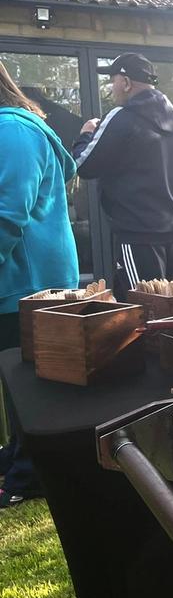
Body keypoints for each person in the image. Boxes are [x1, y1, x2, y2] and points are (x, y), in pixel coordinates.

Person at [0, 59, 78, 507]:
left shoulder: (13, 131)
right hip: (17, 282)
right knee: (17, 384)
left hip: (28, 285)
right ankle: (18, 459)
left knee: (28, 387)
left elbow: (8, 214)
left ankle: (29, 477)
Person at [72, 53, 173, 300]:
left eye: (113, 81)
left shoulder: (121, 117)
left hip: (137, 235)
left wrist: (86, 134)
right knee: (170, 310)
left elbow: (83, 165)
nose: (112, 88)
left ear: (127, 82)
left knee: (141, 311)